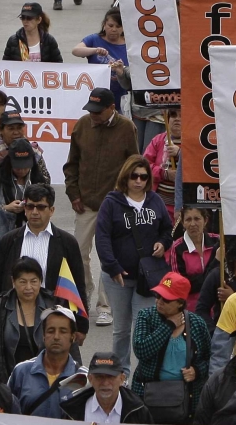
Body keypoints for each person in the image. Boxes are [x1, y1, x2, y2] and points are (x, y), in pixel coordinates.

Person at [63, 87, 140, 327]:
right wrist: (73, 193)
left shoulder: (127, 128)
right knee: (78, 253)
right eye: (91, 110)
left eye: (98, 111)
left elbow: (134, 166)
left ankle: (105, 306)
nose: (93, 115)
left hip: (115, 205)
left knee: (110, 256)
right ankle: (82, 297)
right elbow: (71, 164)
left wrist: (126, 199)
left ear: (111, 108)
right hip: (85, 203)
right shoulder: (82, 125)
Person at [95, 155, 172, 374]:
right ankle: (121, 373)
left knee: (143, 328)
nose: (138, 181)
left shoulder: (155, 200)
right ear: (126, 177)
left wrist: (161, 243)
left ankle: (145, 372)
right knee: (120, 329)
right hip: (117, 278)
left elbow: (167, 230)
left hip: (147, 278)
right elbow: (102, 237)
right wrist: (112, 267)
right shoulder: (111, 202)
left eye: (143, 177)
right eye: (134, 176)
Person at [0, 185, 89, 343]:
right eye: (30, 206)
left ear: (52, 210)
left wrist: (81, 325)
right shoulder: (9, 240)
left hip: (55, 315)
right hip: (15, 316)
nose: (35, 212)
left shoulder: (67, 243)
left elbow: (78, 285)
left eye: (41, 207)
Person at [131, 272, 211, 422]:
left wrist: (197, 370)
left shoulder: (197, 324)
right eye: (158, 296)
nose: (159, 301)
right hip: (148, 395)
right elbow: (141, 350)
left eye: (166, 299)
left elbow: (208, 358)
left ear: (180, 302)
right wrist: (168, 326)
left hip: (186, 398)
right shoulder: (146, 316)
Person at [0, 138, 45, 302]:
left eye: (26, 165)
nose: (22, 170)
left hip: (29, 234)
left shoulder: (38, 178)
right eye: (18, 165)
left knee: (28, 272)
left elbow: (46, 207)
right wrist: (5, 208)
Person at [0, 258, 72, 380]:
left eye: (34, 281)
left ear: (40, 281)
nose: (28, 287)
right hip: (9, 381)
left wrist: (74, 377)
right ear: (13, 281)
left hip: (48, 380)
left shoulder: (53, 306)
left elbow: (70, 344)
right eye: (23, 282)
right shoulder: (0, 307)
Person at [7, 306, 84, 417]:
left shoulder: (82, 377)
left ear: (72, 337)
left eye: (63, 331)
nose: (56, 337)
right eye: (51, 331)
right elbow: (6, 411)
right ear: (43, 335)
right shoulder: (21, 371)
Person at [0, 109, 51, 193]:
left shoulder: (33, 151)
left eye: (19, 128)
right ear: (0, 130)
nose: (16, 132)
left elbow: (46, 181)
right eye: (11, 129)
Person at [59, 352, 154, 423]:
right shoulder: (73, 412)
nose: (105, 383)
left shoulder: (139, 411)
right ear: (90, 379)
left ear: (122, 379)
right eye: (99, 377)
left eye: (110, 377)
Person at [72, 8, 128, 114]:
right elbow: (76, 51)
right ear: (104, 24)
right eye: (110, 26)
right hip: (97, 99)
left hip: (121, 98)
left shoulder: (129, 45)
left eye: (118, 26)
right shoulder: (94, 39)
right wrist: (95, 50)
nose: (114, 29)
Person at [165, 206, 219, 311]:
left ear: (206, 220)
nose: (193, 224)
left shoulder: (217, 241)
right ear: (183, 223)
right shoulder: (177, 248)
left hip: (216, 306)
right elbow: (181, 284)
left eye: (197, 219)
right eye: (188, 220)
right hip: (190, 308)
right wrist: (211, 278)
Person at [143, 109, 182, 214]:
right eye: (173, 115)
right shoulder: (158, 140)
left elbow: (197, 168)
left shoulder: (193, 143)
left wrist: (180, 153)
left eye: (182, 115)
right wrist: (164, 174)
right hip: (157, 204)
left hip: (183, 207)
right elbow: (144, 167)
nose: (177, 119)